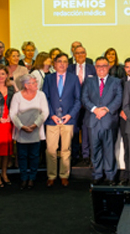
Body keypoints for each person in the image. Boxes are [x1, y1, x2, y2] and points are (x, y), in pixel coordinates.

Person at [81, 57, 123, 185]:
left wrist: (106, 110)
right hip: (93, 121)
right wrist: (95, 109)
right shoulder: (88, 81)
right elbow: (84, 97)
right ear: (95, 67)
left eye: (104, 65)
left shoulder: (116, 81)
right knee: (95, 151)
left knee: (109, 151)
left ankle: (110, 176)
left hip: (109, 121)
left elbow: (118, 98)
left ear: (109, 67)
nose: (101, 68)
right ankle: (97, 174)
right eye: (98, 66)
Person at [42, 53, 82, 187]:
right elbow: (45, 98)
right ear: (54, 63)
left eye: (65, 62)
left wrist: (70, 115)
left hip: (68, 120)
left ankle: (64, 175)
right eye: (59, 61)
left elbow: (78, 100)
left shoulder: (74, 78)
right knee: (51, 150)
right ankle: (51, 176)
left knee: (66, 149)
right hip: (51, 119)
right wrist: (51, 115)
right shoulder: (48, 78)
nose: (62, 64)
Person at [10, 74, 49, 190]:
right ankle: (23, 178)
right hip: (21, 131)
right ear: (26, 85)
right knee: (22, 156)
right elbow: (13, 114)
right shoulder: (17, 96)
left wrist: (35, 125)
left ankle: (32, 178)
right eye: (34, 82)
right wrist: (21, 126)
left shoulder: (41, 95)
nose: (36, 84)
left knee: (34, 156)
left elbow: (45, 112)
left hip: (36, 131)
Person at [68, 45, 97, 165]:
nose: (80, 55)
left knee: (86, 131)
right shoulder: (69, 68)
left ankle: (86, 155)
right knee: (74, 131)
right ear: (74, 55)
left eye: (82, 52)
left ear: (86, 54)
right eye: (77, 53)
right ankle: (74, 155)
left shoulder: (92, 68)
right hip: (73, 105)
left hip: (88, 106)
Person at [118, 57, 130, 186]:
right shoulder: (120, 82)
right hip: (124, 119)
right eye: (127, 67)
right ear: (124, 69)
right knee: (127, 147)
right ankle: (127, 173)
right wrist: (121, 110)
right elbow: (118, 98)